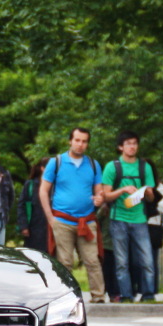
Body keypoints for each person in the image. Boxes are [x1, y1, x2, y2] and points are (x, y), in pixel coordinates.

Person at [39, 128, 107, 303]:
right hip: (62, 219)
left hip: (87, 219)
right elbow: (43, 190)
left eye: (84, 141)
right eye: (77, 140)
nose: (80, 144)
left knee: (92, 261)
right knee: (65, 262)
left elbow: (99, 192)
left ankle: (98, 297)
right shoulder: (57, 162)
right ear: (70, 141)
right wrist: (50, 218)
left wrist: (100, 199)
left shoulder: (93, 164)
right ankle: (66, 298)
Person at [101, 131, 158, 302]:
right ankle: (126, 295)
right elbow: (106, 195)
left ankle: (148, 294)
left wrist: (148, 192)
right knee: (121, 261)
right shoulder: (112, 167)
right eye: (128, 143)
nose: (132, 146)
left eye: (134, 143)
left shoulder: (144, 167)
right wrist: (123, 190)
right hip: (118, 219)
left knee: (147, 259)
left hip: (139, 219)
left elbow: (151, 197)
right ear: (121, 147)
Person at [143, 163, 163, 294]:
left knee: (152, 259)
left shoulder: (159, 187)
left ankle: (151, 289)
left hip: (152, 226)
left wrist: (152, 203)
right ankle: (140, 287)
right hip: (137, 225)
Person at [17, 157, 51, 254]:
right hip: (34, 229)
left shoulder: (57, 185)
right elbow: (21, 205)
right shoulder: (30, 185)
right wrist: (23, 226)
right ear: (42, 168)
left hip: (51, 229)